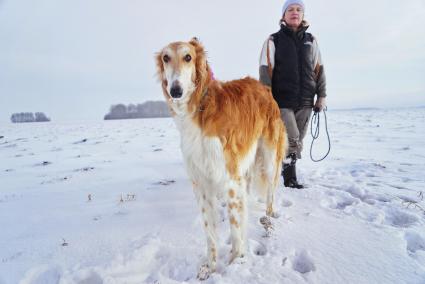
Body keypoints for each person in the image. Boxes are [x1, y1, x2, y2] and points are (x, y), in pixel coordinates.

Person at [259, 0, 327, 188]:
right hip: (281, 101)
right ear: (284, 15)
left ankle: (283, 167)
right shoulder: (273, 40)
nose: (295, 12)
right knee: (292, 138)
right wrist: (266, 100)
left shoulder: (311, 40)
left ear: (303, 14)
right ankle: (289, 179)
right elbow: (265, 72)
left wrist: (321, 96)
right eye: (290, 9)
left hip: (306, 100)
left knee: (297, 140)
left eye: (298, 9)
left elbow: (319, 69)